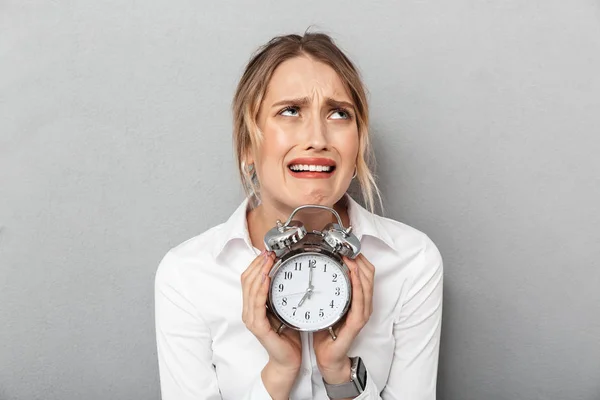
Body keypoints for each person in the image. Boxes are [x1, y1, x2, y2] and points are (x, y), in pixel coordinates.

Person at [154, 32, 444, 400]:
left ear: (357, 146)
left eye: (339, 113)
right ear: (247, 144)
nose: (318, 137)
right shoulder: (188, 275)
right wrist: (279, 372)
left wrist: (340, 375)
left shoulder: (412, 262)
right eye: (290, 111)